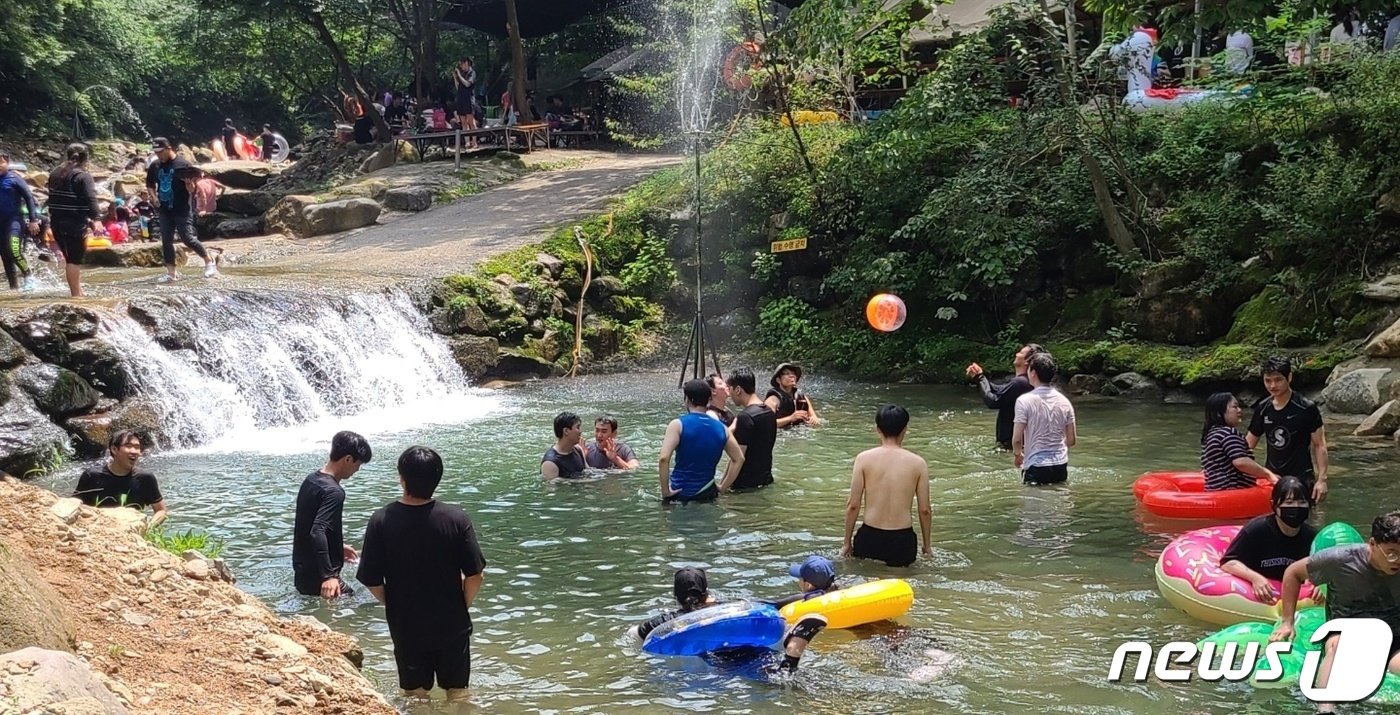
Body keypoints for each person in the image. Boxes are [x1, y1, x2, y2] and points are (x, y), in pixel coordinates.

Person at [357, 446, 487, 701]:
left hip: (407, 625)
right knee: (458, 693)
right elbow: (475, 575)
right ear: (437, 479)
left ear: (401, 478)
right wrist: (461, 605)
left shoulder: (381, 520)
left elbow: (371, 580)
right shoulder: (456, 518)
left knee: (415, 694)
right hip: (452, 622)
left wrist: (394, 603)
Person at [1270, 512, 1400, 714]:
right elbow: (1293, 573)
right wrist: (1288, 622)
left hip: (1392, 636)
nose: (1397, 560)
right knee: (1338, 645)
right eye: (1391, 552)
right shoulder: (1341, 559)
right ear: (1373, 544)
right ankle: (1325, 708)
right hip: (1345, 631)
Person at [630, 567, 826, 675]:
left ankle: (787, 662)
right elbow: (774, 604)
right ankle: (789, 646)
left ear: (676, 596)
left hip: (714, 655)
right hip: (746, 642)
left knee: (747, 672)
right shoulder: (728, 606)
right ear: (706, 590)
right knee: (760, 655)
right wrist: (816, 593)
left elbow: (634, 635)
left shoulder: (668, 619)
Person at [842, 404, 932, 567]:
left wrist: (846, 542)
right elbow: (924, 510)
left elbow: (853, 505)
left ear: (877, 429)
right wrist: (927, 546)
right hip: (902, 540)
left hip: (870, 536)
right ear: (905, 430)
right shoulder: (918, 463)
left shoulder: (863, 459)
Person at [292, 431, 372, 599]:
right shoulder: (334, 492)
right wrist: (328, 576)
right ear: (348, 459)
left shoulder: (311, 480)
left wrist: (337, 547)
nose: (357, 470)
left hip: (302, 575)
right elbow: (317, 531)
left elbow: (307, 527)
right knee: (360, 608)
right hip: (321, 580)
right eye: (358, 464)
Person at [1219, 477, 1318, 603]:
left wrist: (1319, 586)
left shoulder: (1312, 537)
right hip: (1257, 597)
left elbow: (1322, 570)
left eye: (1302, 502)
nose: (1296, 507)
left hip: (1297, 599)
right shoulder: (1256, 530)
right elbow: (1228, 563)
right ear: (1274, 505)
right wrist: (1255, 578)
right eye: (1288, 502)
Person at [1247, 357, 1329, 503]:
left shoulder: (1306, 408)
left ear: (1289, 377)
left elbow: (1319, 444)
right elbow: (1248, 445)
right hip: (1273, 478)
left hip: (1302, 477)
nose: (1272, 385)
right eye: (1268, 380)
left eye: (1278, 380)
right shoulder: (1263, 408)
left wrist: (1322, 480)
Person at [659, 379, 746, 502]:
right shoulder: (723, 429)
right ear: (709, 400)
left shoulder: (677, 425)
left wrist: (665, 491)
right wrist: (722, 487)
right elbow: (739, 459)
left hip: (680, 493)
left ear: (687, 399)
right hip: (707, 492)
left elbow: (663, 459)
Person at [145, 138, 218, 282]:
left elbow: (193, 189)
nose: (158, 155)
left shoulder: (183, 165)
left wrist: (189, 185)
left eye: (160, 152)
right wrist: (153, 197)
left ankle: (209, 261)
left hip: (182, 208)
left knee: (188, 238)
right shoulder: (155, 165)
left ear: (168, 148)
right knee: (166, 241)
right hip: (164, 209)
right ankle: (171, 273)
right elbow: (149, 184)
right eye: (156, 152)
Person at [72, 431, 168, 527]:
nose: (134, 451)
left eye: (137, 447)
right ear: (114, 449)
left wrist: (147, 527)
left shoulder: (145, 478)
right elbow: (74, 506)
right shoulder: (92, 476)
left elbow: (161, 510)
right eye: (128, 446)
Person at [45, 143, 104, 297]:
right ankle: (76, 295)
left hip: (56, 222)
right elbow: (91, 198)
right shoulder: (83, 176)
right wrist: (96, 219)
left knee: (69, 257)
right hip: (74, 224)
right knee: (74, 260)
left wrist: (88, 220)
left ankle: (78, 291)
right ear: (86, 158)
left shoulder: (55, 173)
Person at [1012, 352, 1076, 485]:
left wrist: (1018, 455)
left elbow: (1017, 439)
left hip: (1036, 466)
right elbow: (1071, 440)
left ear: (1033, 372)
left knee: (1033, 504)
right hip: (1060, 465)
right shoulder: (1065, 401)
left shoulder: (1024, 401)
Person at [965, 344, 1043, 450]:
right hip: (1023, 444)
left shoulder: (1020, 383)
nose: (1016, 354)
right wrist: (979, 376)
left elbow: (993, 401)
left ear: (1026, 361)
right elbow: (998, 390)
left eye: (1020, 353)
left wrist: (980, 378)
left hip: (1011, 447)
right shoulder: (1027, 382)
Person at [1202, 392, 1278, 491]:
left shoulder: (1212, 434)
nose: (1239, 410)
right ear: (1219, 413)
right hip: (1231, 492)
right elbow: (1241, 462)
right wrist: (1268, 474)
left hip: (1215, 490)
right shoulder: (1228, 434)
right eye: (1235, 407)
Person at [728, 367, 777, 491]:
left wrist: (723, 487)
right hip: (766, 480)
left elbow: (738, 458)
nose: (730, 394)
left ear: (738, 389)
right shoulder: (769, 412)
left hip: (745, 486)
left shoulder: (745, 417)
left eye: (730, 389)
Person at [0, 150, 40, 290]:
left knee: (14, 250)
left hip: (14, 220)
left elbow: (29, 198)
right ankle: (13, 288)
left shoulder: (14, 179)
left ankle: (28, 276)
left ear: (7, 163)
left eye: (1, 162)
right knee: (5, 256)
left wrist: (33, 220)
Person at [765, 362, 822, 428]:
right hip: (781, 435)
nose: (791, 375)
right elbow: (766, 424)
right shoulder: (772, 400)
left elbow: (814, 417)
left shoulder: (802, 398)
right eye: (787, 373)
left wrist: (813, 419)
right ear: (778, 380)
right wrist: (790, 418)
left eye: (793, 373)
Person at [541, 411, 588, 479]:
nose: (580, 432)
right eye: (577, 427)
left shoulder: (578, 450)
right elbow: (551, 488)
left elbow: (588, 471)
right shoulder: (550, 463)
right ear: (566, 431)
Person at [452, 58, 479, 147]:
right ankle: (467, 141)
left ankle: (474, 141)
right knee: (463, 122)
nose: (461, 67)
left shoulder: (472, 73)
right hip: (461, 99)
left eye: (462, 64)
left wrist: (459, 75)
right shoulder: (462, 74)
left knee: (471, 121)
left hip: (469, 100)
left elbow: (467, 84)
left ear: (466, 63)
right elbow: (458, 87)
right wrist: (455, 77)